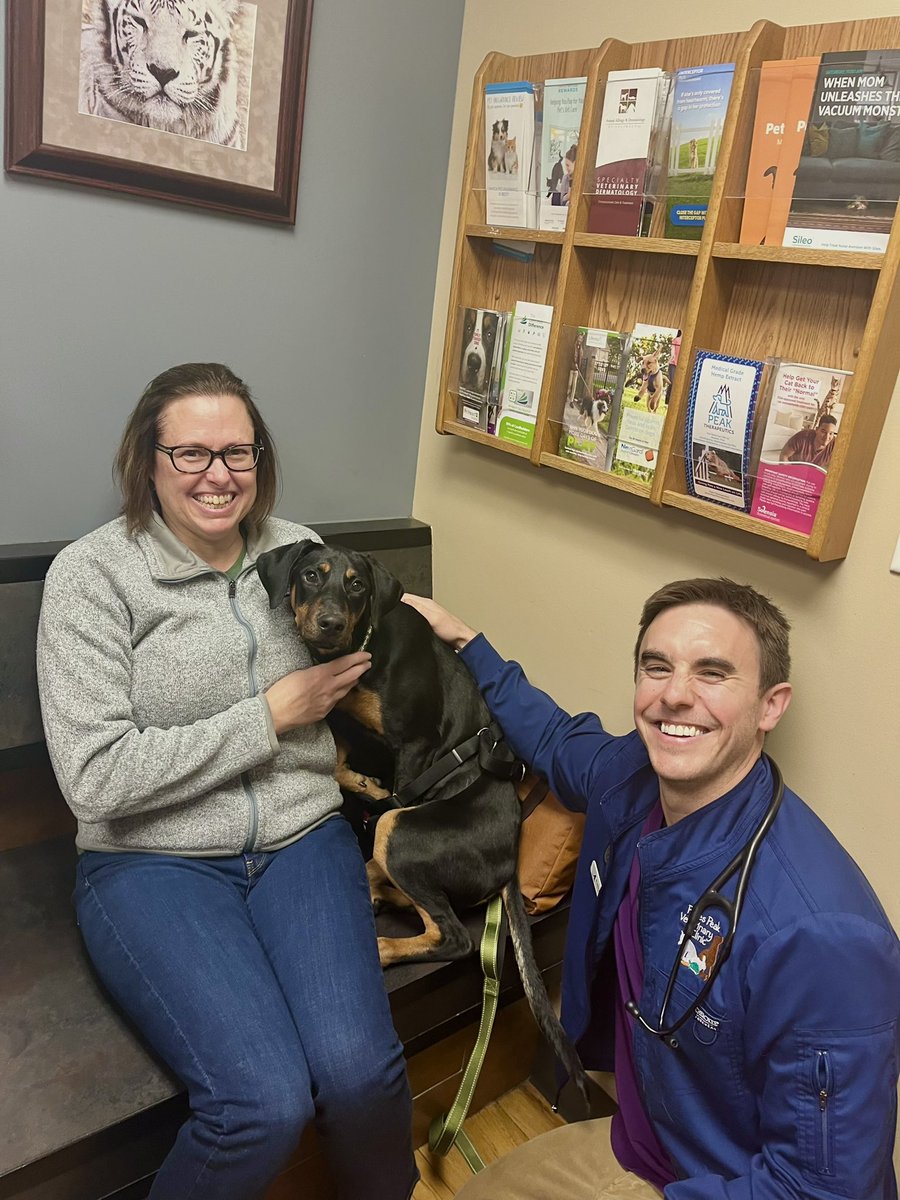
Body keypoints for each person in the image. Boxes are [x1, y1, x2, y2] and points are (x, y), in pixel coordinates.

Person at [36, 363, 417, 1200]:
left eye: (238, 452)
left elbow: (384, 632)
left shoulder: (298, 551)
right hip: (151, 863)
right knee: (260, 1103)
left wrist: (455, 632)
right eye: (192, 453)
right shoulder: (92, 578)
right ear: (148, 462)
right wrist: (267, 717)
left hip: (304, 842)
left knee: (362, 1077)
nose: (219, 475)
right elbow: (94, 780)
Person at [403, 579, 900, 1199]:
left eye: (712, 673)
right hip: (644, 1140)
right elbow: (556, 739)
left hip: (713, 1182)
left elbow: (823, 1192)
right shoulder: (630, 777)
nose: (674, 695)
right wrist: (467, 642)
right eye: (656, 667)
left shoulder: (822, 937)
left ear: (772, 705)